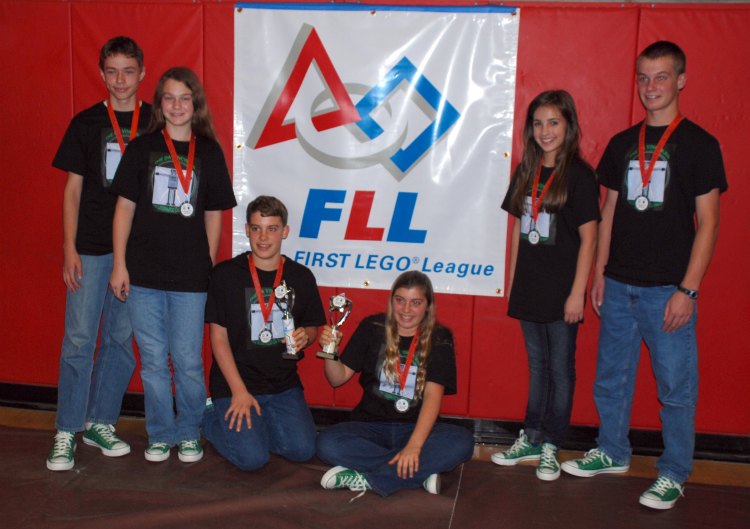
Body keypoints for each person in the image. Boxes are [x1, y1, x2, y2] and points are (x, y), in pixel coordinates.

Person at [561, 41, 727, 510]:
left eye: (661, 77)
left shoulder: (700, 145)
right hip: (618, 285)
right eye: (644, 78)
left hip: (668, 290)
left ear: (681, 80)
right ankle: (612, 451)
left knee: (675, 388)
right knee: (611, 379)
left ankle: (673, 472)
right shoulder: (622, 143)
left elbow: (709, 223)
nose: (650, 87)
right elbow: (609, 210)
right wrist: (600, 272)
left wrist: (688, 289)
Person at [109, 67, 237, 463]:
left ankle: (189, 431)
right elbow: (124, 209)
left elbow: (214, 213)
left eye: (185, 98)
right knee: (152, 361)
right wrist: (119, 264)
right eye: (169, 97)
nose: (177, 105)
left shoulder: (209, 152)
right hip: (143, 274)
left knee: (187, 361)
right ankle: (161, 433)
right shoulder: (141, 148)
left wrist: (207, 263)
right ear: (159, 104)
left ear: (196, 105)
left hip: (190, 278)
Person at [47, 36, 151, 471]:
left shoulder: (157, 122)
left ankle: (100, 422)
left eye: (128, 71)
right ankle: (66, 429)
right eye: (112, 71)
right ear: (102, 74)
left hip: (137, 251)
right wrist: (68, 247)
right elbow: (72, 190)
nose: (120, 80)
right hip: (90, 248)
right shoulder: (86, 123)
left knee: (120, 340)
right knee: (79, 339)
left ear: (142, 73)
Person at [491, 90, 600, 481]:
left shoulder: (580, 175)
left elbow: (590, 237)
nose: (545, 131)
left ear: (569, 125)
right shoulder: (526, 170)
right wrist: (512, 281)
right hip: (530, 287)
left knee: (560, 369)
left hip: (562, 291)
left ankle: (553, 443)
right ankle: (532, 437)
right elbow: (518, 227)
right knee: (538, 366)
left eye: (553, 122)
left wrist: (578, 293)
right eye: (538, 123)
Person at [316, 271, 474, 497]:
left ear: (428, 306)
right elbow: (337, 378)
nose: (406, 309)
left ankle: (370, 478)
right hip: (370, 427)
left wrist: (415, 446)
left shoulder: (439, 337)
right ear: (391, 301)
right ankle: (416, 472)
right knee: (327, 443)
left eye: (416, 302)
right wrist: (329, 351)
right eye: (400, 300)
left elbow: (433, 397)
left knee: (462, 442)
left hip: (416, 429)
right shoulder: (372, 327)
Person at [202, 196, 326, 470]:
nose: (263, 237)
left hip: (283, 386)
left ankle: (256, 428)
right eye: (256, 228)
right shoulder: (226, 275)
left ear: (285, 232)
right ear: (247, 230)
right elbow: (218, 338)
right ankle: (210, 416)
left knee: (303, 450)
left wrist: (306, 335)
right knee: (252, 459)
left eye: (271, 228)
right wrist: (238, 391)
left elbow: (313, 327)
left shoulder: (301, 276)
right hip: (235, 384)